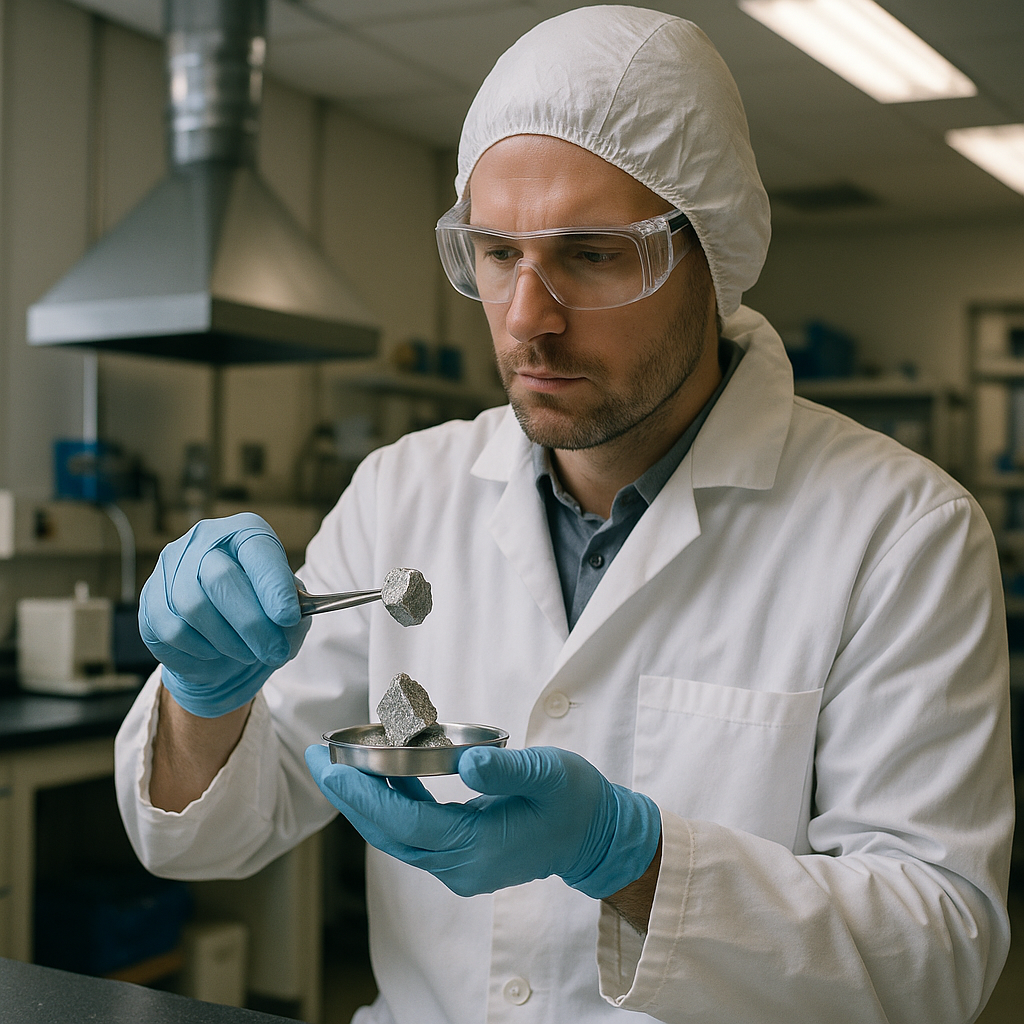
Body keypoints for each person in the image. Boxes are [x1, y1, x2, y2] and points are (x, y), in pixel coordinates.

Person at [115, 7, 1014, 1023]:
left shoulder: (900, 531)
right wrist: (202, 695)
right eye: (497, 253)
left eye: (590, 255)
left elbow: (941, 953)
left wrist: (628, 855)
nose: (527, 316)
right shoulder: (400, 491)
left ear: (705, 252)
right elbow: (206, 835)